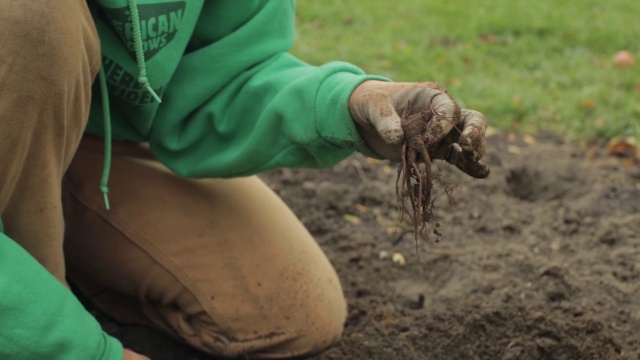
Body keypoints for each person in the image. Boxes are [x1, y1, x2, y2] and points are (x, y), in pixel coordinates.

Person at [0, 1, 489, 359]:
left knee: (291, 309)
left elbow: (225, 73)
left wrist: (347, 101)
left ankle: (46, 271)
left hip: (97, 144)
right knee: (32, 19)